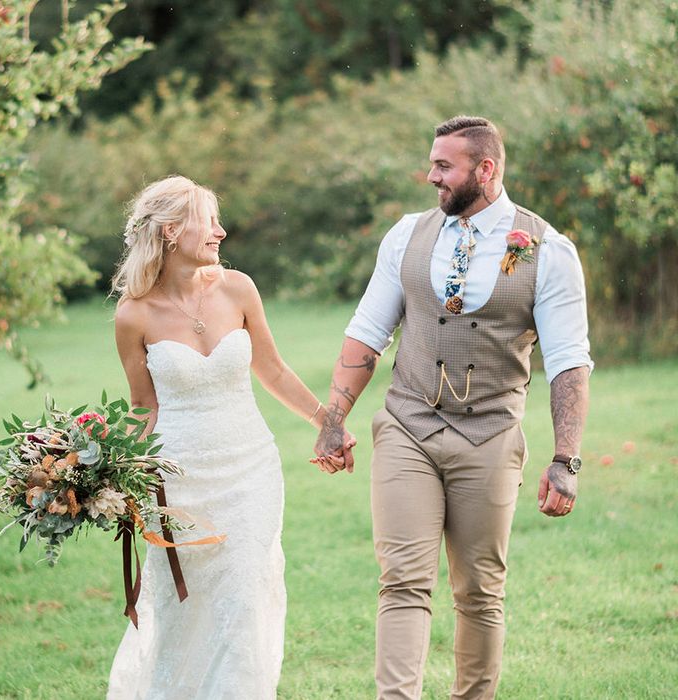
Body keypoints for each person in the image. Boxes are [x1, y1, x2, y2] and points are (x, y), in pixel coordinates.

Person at [312, 116, 592, 699]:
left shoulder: (549, 251)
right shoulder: (407, 235)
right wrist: (332, 421)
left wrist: (566, 459)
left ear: (484, 170)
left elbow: (568, 362)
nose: (431, 176)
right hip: (407, 427)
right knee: (403, 583)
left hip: (489, 435)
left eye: (444, 166)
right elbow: (368, 332)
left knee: (480, 591)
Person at [107, 175, 336, 699]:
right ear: (170, 231)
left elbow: (272, 369)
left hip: (250, 469)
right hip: (178, 478)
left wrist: (326, 422)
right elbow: (144, 406)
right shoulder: (133, 314)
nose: (220, 231)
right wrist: (110, 473)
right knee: (181, 607)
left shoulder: (238, 288)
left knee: (243, 597)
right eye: (209, 221)